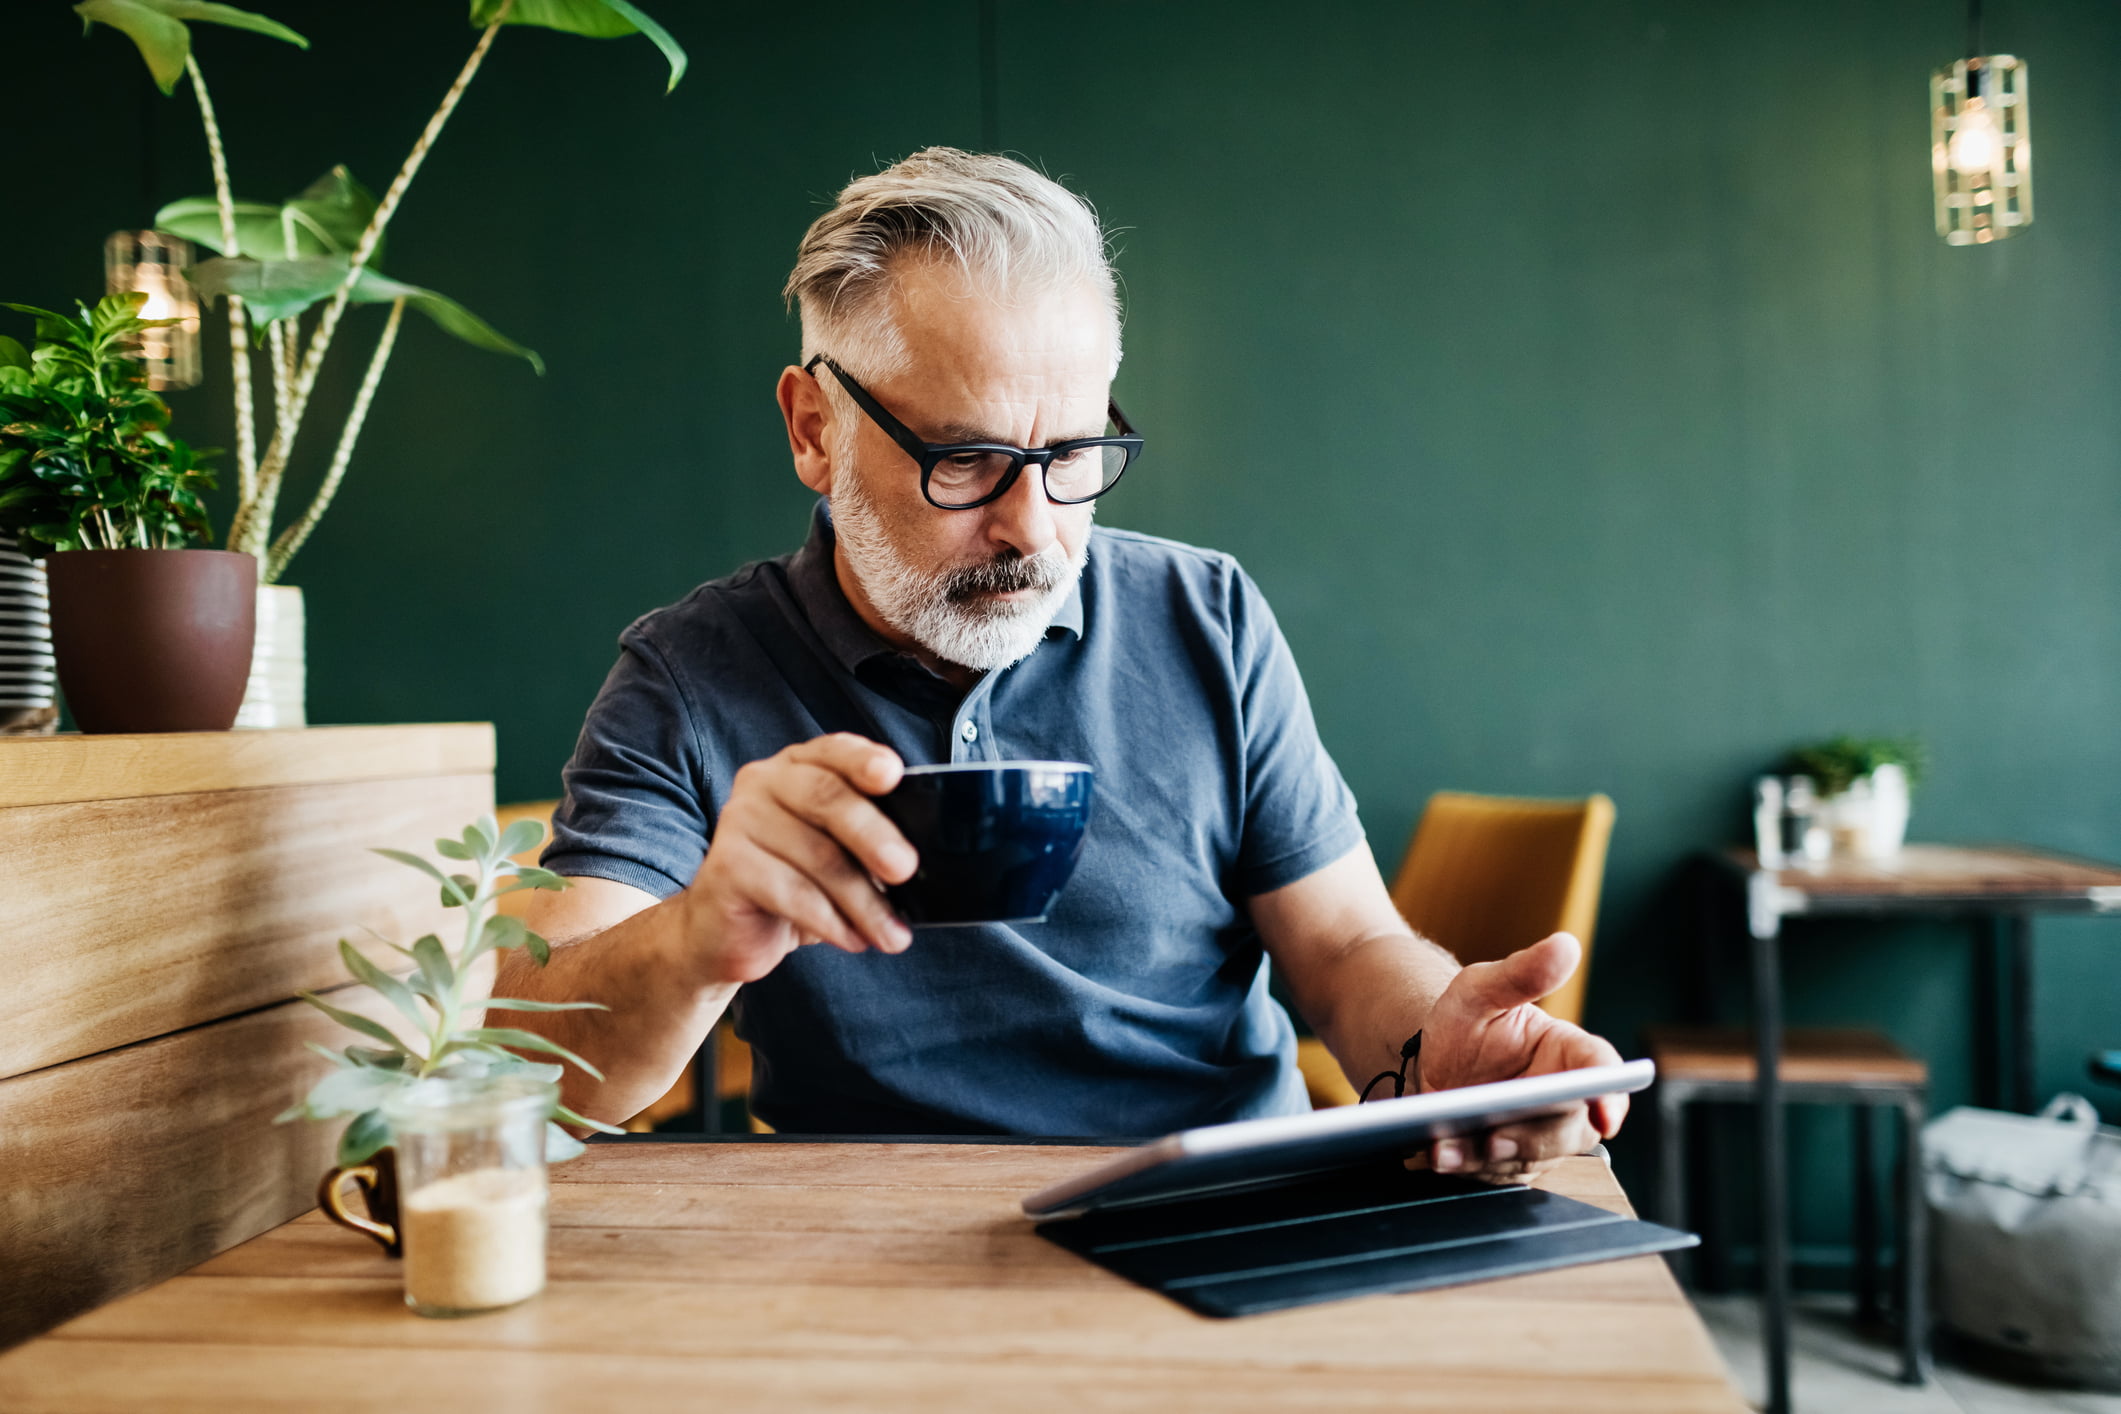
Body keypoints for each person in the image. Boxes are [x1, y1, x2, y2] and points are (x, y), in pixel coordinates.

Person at [498, 148, 1627, 1180]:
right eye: (971, 460)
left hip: (1220, 1199)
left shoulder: (1207, 615)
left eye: (1074, 453)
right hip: (863, 1236)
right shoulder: (691, 676)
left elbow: (1342, 945)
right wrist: (700, 935)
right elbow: (531, 1061)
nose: (1035, 530)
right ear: (815, 431)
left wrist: (1443, 1040)